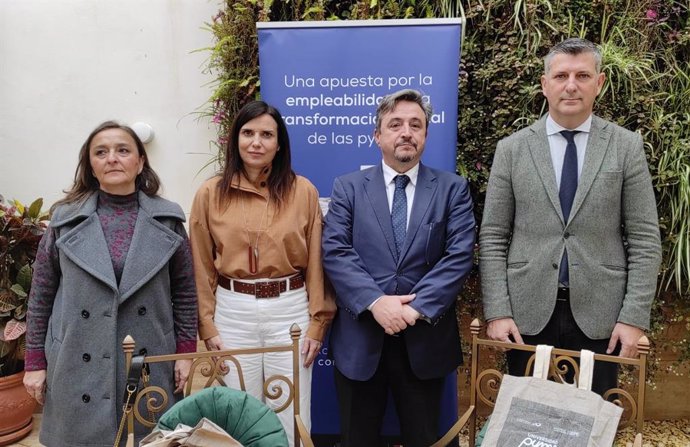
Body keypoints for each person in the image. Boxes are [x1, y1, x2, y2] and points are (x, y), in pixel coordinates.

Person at [479, 38, 662, 394]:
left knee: (592, 421)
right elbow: (493, 236)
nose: (571, 85)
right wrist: (498, 311)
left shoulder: (625, 147)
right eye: (561, 75)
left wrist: (633, 317)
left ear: (600, 82)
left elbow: (644, 238)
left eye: (582, 75)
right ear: (545, 84)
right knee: (526, 422)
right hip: (527, 314)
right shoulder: (512, 149)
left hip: (602, 316)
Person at [23, 121, 198, 446]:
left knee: (147, 438)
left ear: (140, 161)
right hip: (77, 358)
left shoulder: (168, 220)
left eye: (123, 150)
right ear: (90, 165)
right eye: (101, 152)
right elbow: (41, 295)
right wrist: (34, 361)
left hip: (147, 358)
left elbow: (185, 293)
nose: (112, 158)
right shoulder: (64, 220)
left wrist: (185, 353)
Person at [322, 89, 476, 446]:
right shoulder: (348, 188)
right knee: (357, 439)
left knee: (425, 438)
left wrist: (414, 309)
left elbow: (458, 255)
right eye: (395, 124)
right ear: (378, 136)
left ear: (425, 135)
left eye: (415, 125)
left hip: (425, 341)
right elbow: (336, 251)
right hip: (361, 340)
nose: (406, 132)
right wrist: (377, 303)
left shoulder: (452, 189)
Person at [189, 100, 335, 444]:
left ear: (279, 143)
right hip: (233, 311)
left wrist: (318, 322)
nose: (256, 142)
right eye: (248, 132)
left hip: (291, 311)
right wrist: (207, 325)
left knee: (293, 409)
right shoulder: (210, 193)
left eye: (266, 134)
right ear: (235, 139)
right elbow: (200, 265)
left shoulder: (304, 191)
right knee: (241, 409)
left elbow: (318, 262)